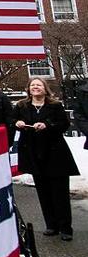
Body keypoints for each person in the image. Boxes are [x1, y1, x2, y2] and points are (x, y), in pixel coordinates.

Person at [10, 78, 79, 241]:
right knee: (43, 192)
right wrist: (17, 123)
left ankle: (65, 227)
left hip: (55, 153)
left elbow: (64, 124)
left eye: (39, 85)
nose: (35, 87)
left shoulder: (55, 105)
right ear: (28, 89)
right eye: (33, 85)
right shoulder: (21, 106)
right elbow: (12, 121)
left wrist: (47, 124)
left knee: (59, 192)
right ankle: (51, 225)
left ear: (45, 89)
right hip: (33, 153)